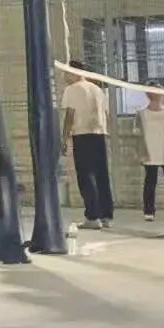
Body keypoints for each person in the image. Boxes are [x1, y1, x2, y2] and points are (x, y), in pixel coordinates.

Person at [60, 61, 114, 229]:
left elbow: (70, 116)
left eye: (66, 73)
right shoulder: (97, 89)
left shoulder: (72, 89)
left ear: (74, 72)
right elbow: (106, 114)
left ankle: (92, 216)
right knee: (101, 175)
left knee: (86, 176)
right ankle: (106, 216)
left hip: (82, 135)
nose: (64, 76)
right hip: (99, 134)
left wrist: (64, 138)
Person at [137, 86, 164, 221]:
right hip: (150, 153)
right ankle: (149, 211)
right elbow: (138, 135)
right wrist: (139, 152)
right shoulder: (141, 113)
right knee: (150, 183)